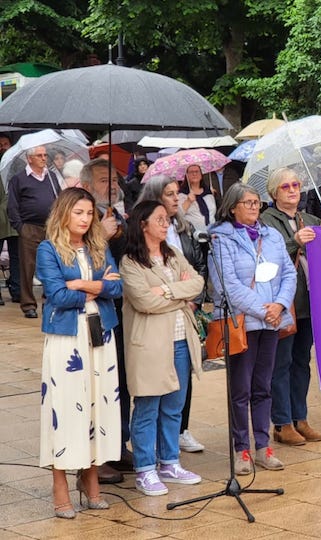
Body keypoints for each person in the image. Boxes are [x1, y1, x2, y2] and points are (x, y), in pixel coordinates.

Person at [36, 188, 122, 518]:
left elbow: (117, 287)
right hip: (66, 339)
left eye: (90, 214)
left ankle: (91, 480)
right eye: (79, 213)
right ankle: (60, 487)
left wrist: (84, 286)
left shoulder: (98, 247)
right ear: (64, 214)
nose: (86, 219)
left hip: (100, 334)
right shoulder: (48, 249)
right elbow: (57, 295)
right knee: (66, 410)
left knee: (97, 408)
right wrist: (97, 287)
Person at [209, 183, 297, 474]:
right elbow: (228, 285)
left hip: (271, 322)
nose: (253, 207)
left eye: (256, 202)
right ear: (232, 206)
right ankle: (241, 449)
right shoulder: (221, 238)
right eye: (247, 202)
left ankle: (263, 446)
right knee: (241, 389)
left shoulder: (271, 235)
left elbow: (289, 272)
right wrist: (263, 309)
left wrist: (280, 305)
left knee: (264, 386)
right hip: (243, 322)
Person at [120, 201, 205, 496]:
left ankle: (169, 462)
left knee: (173, 406)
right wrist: (181, 297)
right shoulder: (131, 262)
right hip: (150, 345)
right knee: (147, 406)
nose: (165, 223)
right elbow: (144, 301)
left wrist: (168, 291)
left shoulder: (173, 254)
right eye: (159, 219)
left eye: (166, 219)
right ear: (143, 224)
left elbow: (197, 282)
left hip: (181, 341)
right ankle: (145, 469)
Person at [261, 168, 321, 445]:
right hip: (284, 303)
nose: (293, 190)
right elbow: (269, 259)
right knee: (282, 363)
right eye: (285, 186)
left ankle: (300, 417)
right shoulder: (267, 220)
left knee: (302, 361)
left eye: (296, 184)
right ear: (274, 193)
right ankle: (282, 422)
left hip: (309, 301)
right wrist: (295, 242)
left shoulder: (310, 217)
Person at [138, 175, 209, 454]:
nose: (175, 199)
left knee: (183, 381)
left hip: (186, 313)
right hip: (157, 325)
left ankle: (181, 432)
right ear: (155, 197)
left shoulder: (183, 226)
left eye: (177, 193)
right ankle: (150, 454)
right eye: (169, 194)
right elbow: (145, 293)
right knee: (155, 389)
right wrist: (178, 293)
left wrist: (188, 297)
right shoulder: (139, 242)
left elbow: (197, 271)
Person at [79, 158, 131, 484]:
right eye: (102, 180)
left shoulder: (116, 215)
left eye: (113, 179)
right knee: (95, 386)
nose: (110, 185)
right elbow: (87, 270)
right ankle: (95, 455)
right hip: (88, 317)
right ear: (85, 186)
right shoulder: (81, 220)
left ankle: (116, 443)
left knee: (119, 381)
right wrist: (103, 234)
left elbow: (117, 278)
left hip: (116, 311)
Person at [8, 144, 62, 318]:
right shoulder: (19, 179)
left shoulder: (52, 177)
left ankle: (51, 299)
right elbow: (13, 205)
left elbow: (60, 199)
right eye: (39, 155)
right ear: (29, 158)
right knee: (27, 266)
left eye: (45, 155)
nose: (44, 158)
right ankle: (28, 304)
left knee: (53, 265)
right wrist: (20, 227)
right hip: (29, 227)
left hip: (51, 227)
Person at [179, 164, 217, 232]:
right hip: (193, 235)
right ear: (186, 175)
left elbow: (214, 213)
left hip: (212, 233)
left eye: (197, 171)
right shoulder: (182, 194)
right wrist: (188, 201)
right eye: (191, 172)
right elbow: (178, 215)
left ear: (201, 174)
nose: (194, 174)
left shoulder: (208, 192)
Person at [0, 179, 18, 305]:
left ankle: (18, 290)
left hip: (12, 221)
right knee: (16, 258)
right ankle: (17, 291)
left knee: (17, 258)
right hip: (11, 220)